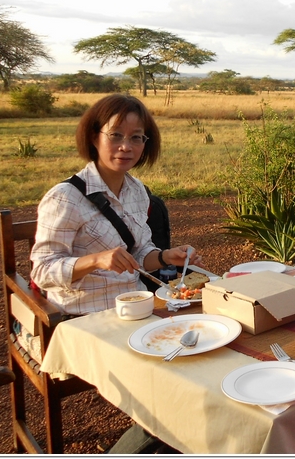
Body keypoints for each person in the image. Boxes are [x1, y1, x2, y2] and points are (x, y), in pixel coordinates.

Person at [30, 93, 204, 314]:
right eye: (116, 135)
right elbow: (42, 272)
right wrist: (95, 260)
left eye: (136, 137)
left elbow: (139, 254)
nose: (126, 147)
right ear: (94, 137)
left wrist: (165, 256)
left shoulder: (137, 191)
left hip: (137, 307)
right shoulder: (64, 198)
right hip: (84, 316)